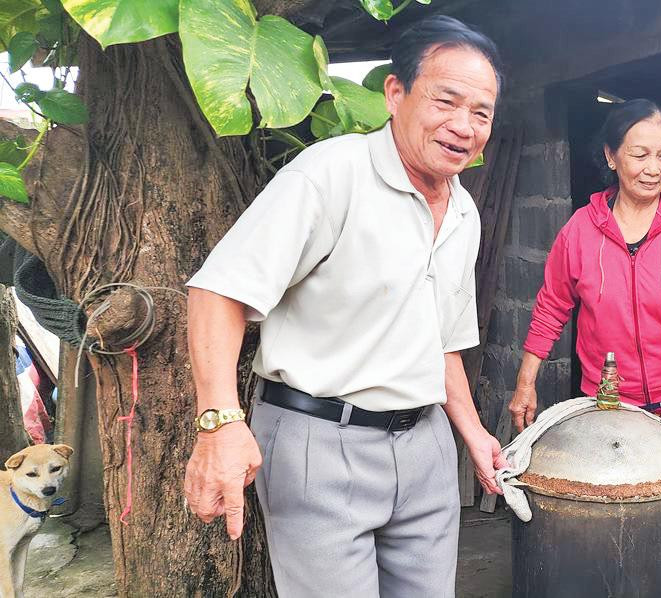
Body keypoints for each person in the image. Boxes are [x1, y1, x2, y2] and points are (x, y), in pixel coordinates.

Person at [181, 16, 506, 597]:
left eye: (481, 112)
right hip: (320, 442)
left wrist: (474, 433)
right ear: (396, 93)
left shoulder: (463, 213)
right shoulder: (331, 174)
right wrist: (220, 424)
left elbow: (442, 340)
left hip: (426, 448)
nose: (463, 125)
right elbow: (218, 292)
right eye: (446, 101)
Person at [507, 99, 661, 597]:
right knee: (620, 509)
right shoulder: (579, 232)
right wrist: (525, 385)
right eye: (639, 154)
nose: (654, 169)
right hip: (613, 400)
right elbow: (551, 307)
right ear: (611, 156)